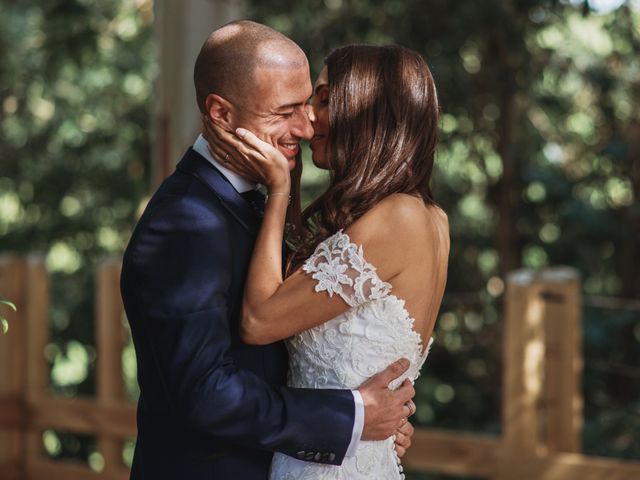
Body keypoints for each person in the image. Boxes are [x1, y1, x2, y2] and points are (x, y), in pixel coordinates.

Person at [120, 21, 416, 480]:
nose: (305, 126)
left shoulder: (257, 199)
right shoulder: (185, 221)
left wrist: (378, 420)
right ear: (220, 114)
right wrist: (350, 416)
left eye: (306, 105)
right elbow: (205, 392)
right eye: (284, 112)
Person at [204, 44, 450, 479]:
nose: (309, 118)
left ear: (369, 109)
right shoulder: (429, 217)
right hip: (342, 453)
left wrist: (279, 189)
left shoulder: (399, 218)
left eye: (323, 99)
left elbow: (259, 320)